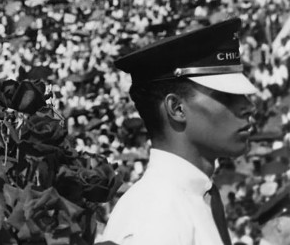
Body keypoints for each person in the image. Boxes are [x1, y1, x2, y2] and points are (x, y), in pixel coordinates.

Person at [101, 18, 258, 245]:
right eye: (227, 96)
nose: (248, 107)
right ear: (177, 108)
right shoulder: (156, 219)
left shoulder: (193, 197)